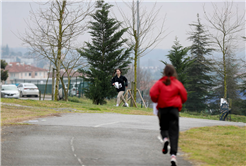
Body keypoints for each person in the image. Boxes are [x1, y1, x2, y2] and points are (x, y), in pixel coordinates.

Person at [149, 64, 187, 166]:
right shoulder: (177, 83)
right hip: (174, 111)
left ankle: (165, 139)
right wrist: (179, 101)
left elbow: (152, 94)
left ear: (164, 72)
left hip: (163, 110)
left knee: (163, 127)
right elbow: (184, 96)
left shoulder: (159, 83)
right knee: (174, 133)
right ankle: (173, 156)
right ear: (174, 72)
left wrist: (157, 100)